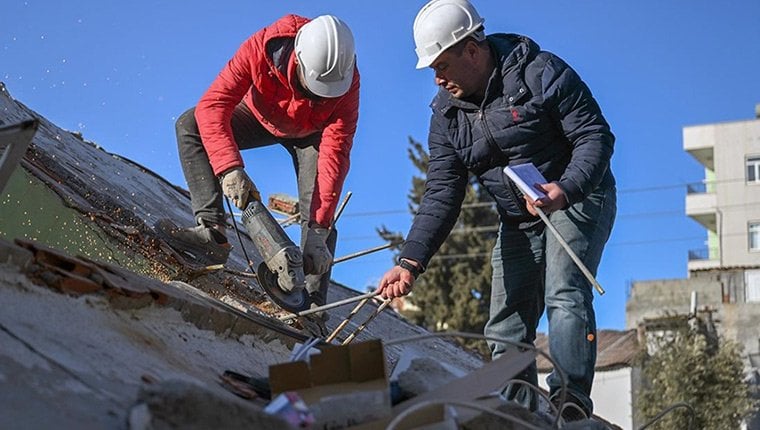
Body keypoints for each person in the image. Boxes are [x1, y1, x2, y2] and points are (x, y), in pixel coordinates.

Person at [376, 0, 616, 422]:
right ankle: (516, 415)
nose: (437, 78)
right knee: (504, 322)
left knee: (564, 292)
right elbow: (442, 192)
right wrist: (411, 260)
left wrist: (565, 189)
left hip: (579, 195)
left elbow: (595, 136)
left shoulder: (541, 72)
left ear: (472, 49)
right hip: (519, 218)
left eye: (442, 65)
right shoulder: (446, 116)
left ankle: (570, 406)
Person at [156, 14, 360, 311]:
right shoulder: (262, 46)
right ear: (298, 60)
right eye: (310, 88)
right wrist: (229, 169)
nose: (315, 97)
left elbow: (336, 154)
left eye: (323, 95)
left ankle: (312, 306)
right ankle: (212, 233)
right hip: (260, 116)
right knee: (190, 124)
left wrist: (318, 230)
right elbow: (214, 104)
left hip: (311, 135)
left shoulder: (348, 82)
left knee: (318, 212)